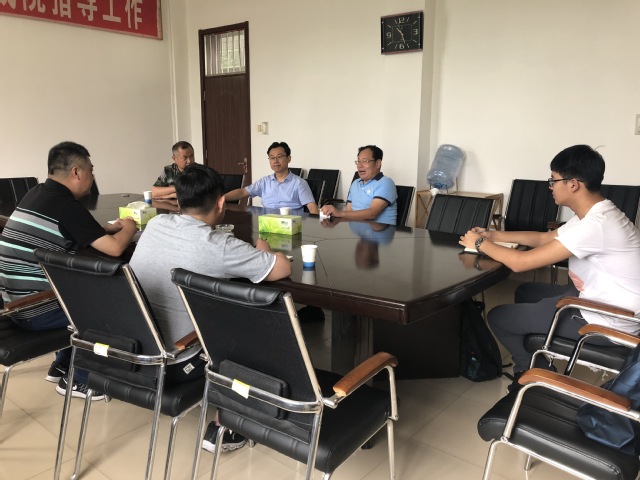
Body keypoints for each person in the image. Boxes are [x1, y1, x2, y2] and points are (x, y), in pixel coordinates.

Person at [129, 163, 291, 453]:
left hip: (136, 353)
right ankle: (229, 422)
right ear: (220, 203)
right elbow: (281, 269)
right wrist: (264, 248)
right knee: (255, 322)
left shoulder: (155, 225)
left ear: (179, 200)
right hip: (178, 364)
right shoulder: (219, 245)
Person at [458, 145, 640, 387]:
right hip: (605, 302)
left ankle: (534, 375)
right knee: (525, 291)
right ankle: (539, 350)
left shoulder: (595, 225)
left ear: (573, 184)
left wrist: (479, 243)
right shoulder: (597, 213)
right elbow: (545, 238)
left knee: (498, 317)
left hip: (608, 320)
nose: (550, 186)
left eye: (553, 180)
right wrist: (494, 235)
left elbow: (520, 263)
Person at [0, 141, 138, 400]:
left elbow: (70, 228)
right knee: (109, 305)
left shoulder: (38, 194)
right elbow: (115, 249)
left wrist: (104, 229)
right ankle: (79, 380)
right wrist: (130, 226)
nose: (92, 177)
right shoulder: (66, 206)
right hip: (36, 310)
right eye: (91, 170)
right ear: (76, 172)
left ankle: (62, 364)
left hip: (13, 304)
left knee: (78, 288)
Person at [224, 141, 319, 213]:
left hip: (291, 225)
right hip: (267, 224)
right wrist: (221, 199)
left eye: (279, 157)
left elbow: (313, 209)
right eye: (272, 158)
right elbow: (243, 192)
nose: (275, 161)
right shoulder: (264, 182)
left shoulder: (299, 183)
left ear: (289, 158)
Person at [320, 145, 397, 225]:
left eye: (365, 161)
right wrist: (332, 218)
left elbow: (372, 213)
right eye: (358, 161)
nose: (359, 166)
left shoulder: (386, 183)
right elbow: (348, 212)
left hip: (379, 231)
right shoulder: (356, 183)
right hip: (356, 230)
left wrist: (339, 213)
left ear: (377, 163)